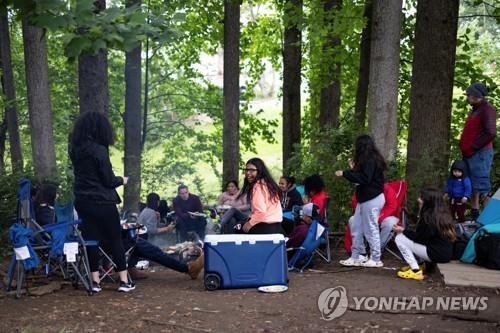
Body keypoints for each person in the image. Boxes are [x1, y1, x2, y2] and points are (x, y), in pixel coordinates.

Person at [70, 111, 134, 293]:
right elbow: (107, 179)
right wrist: (122, 180)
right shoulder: (99, 150)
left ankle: (95, 282)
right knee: (115, 239)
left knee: (91, 240)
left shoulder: (75, 149)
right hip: (103, 202)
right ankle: (124, 281)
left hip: (82, 201)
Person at [336, 134, 386, 268]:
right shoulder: (369, 159)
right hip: (364, 199)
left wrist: (345, 173)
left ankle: (376, 258)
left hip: (372, 198)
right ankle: (356, 256)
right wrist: (353, 169)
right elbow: (361, 176)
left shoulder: (370, 160)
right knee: (356, 226)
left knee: (371, 228)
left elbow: (365, 178)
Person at [393, 188, 456, 281]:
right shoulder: (442, 215)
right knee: (426, 241)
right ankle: (425, 265)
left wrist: (403, 231)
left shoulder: (428, 219)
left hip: (436, 254)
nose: (418, 199)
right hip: (445, 254)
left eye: (422, 198)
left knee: (399, 238)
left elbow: (419, 239)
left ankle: (415, 270)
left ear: (428, 202)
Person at [459, 82, 496, 220]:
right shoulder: (476, 109)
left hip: (480, 154)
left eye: (469, 95)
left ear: (476, 95)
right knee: (473, 185)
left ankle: (491, 218)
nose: (467, 97)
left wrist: (473, 147)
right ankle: (475, 215)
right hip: (471, 154)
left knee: (482, 187)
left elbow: (491, 133)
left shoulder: (487, 109)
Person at [122, 224, 204, 281]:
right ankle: (189, 269)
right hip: (120, 241)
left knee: (138, 239)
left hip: (117, 241)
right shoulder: (109, 205)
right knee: (154, 251)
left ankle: (131, 268)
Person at [344, 183, 399, 256]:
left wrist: (378, 217)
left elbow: (392, 206)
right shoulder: (361, 188)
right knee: (352, 219)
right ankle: (361, 252)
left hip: (386, 216)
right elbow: (355, 203)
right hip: (366, 215)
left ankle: (377, 249)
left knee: (390, 223)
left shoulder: (386, 188)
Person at [238, 158, 283, 234]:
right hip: (276, 226)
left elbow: (260, 212)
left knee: (237, 227)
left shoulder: (258, 186)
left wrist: (250, 224)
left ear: (260, 171)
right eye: (246, 170)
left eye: (252, 170)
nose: (248, 173)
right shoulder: (268, 184)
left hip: (264, 226)